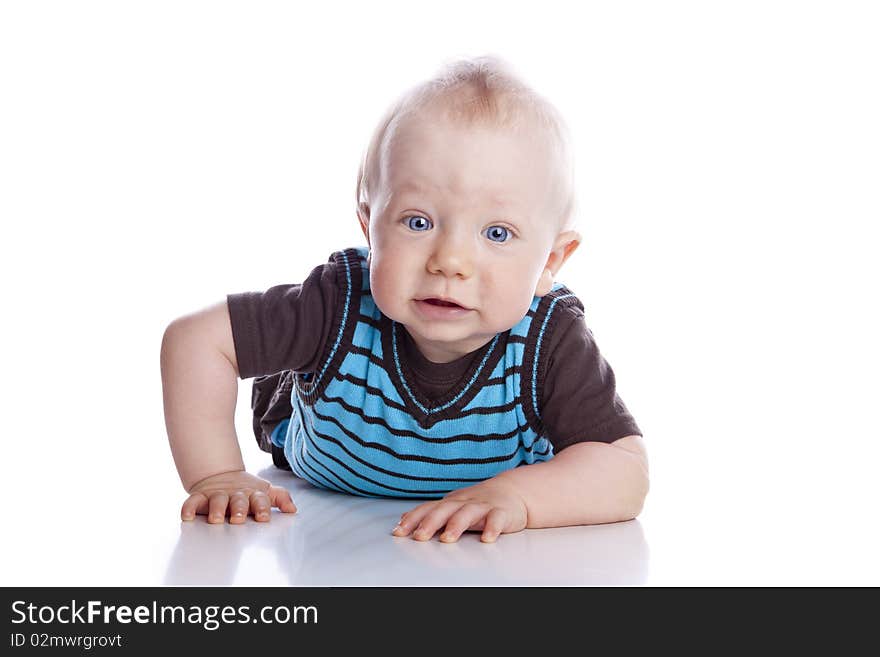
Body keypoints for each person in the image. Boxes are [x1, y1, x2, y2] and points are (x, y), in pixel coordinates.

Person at [160, 55, 649, 543]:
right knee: (292, 374)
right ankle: (299, 385)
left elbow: (624, 470)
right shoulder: (336, 302)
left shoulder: (549, 338)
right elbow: (196, 340)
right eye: (418, 222)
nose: (450, 261)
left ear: (550, 262)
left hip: (497, 473)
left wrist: (518, 498)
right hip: (325, 434)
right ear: (370, 228)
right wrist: (216, 475)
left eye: (497, 233)